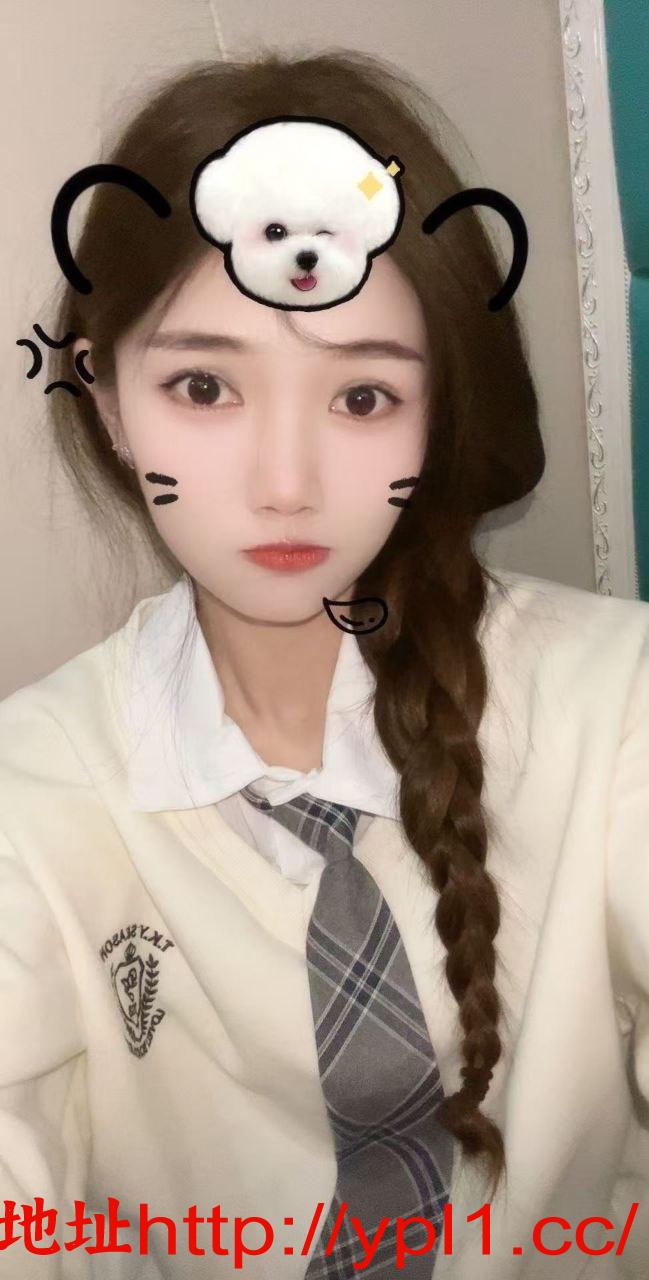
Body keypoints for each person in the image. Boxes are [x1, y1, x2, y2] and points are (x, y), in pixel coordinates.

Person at [2, 47, 648, 1280]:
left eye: (361, 398)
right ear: (107, 399)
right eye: (205, 385)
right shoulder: (31, 795)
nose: (286, 481)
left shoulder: (618, 700)